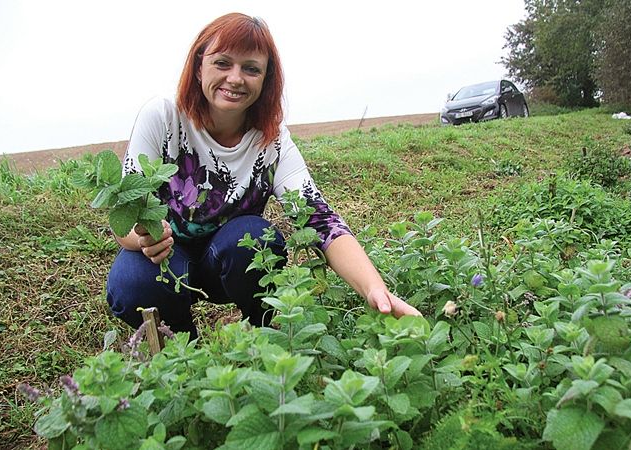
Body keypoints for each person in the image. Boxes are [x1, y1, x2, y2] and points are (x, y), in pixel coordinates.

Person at [106, 13, 421, 338]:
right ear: (200, 65)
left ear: (266, 78)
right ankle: (185, 352)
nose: (236, 78)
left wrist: (375, 290)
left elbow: (321, 221)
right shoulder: (163, 118)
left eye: (251, 68)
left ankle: (262, 336)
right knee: (132, 283)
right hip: (166, 258)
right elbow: (127, 211)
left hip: (229, 259)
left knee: (257, 239)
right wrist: (144, 238)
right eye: (222, 63)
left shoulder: (272, 141)